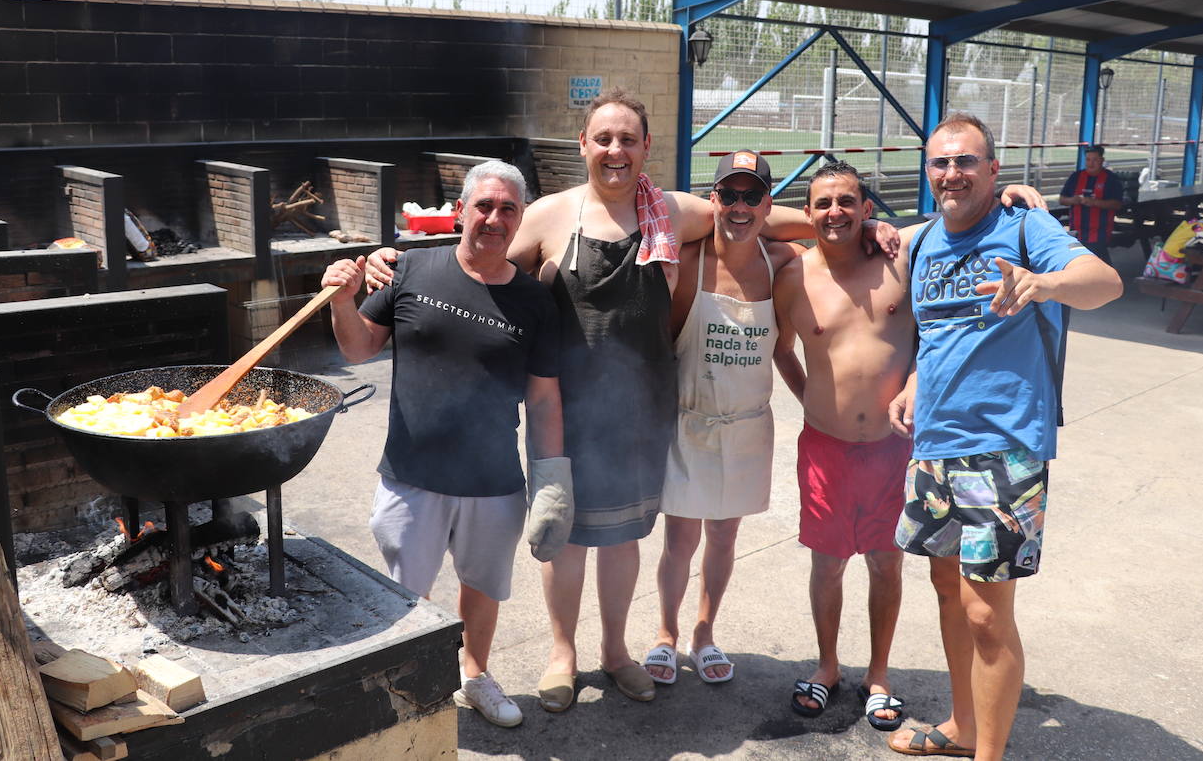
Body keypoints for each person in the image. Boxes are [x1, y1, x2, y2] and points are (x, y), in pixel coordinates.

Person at [366, 90, 895, 711]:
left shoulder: (670, 210)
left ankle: (615, 653)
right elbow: (477, 267)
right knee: (561, 538)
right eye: (604, 139)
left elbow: (752, 215)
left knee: (621, 542)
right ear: (583, 146)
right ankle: (562, 654)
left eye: (628, 140)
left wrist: (867, 225)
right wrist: (393, 263)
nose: (616, 151)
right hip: (561, 408)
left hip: (641, 408)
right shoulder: (548, 215)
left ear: (647, 148)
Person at [887, 113, 1122, 760]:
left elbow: (1106, 282)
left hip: (1003, 450)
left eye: (966, 161)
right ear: (928, 172)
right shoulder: (927, 240)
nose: (952, 172)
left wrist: (1040, 283)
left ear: (994, 170)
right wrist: (912, 381)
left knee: (988, 614)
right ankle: (964, 725)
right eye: (940, 162)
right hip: (934, 447)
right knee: (949, 596)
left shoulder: (1023, 226)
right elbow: (935, 332)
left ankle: (989, 753)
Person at [320, 160, 572, 729]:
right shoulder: (411, 269)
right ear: (460, 211)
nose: (494, 218)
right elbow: (359, 350)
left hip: (493, 481)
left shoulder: (535, 302)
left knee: (482, 589)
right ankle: (401, 692)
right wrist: (342, 299)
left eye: (508, 208)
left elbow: (545, 399)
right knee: (403, 595)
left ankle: (473, 676)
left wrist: (554, 479)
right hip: (411, 474)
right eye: (483, 205)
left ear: (520, 218)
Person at [642, 151, 803, 688]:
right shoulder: (687, 262)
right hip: (689, 424)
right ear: (712, 200)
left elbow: (785, 346)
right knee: (680, 541)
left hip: (748, 428)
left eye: (751, 196)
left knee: (725, 539)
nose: (739, 207)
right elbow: (659, 345)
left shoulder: (783, 262)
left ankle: (704, 632)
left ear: (767, 204)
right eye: (728, 195)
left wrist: (812, 402)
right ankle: (665, 634)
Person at [772, 160, 918, 733]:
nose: (835, 212)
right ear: (807, 214)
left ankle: (878, 674)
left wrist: (912, 386)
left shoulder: (899, 262)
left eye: (847, 202)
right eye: (823, 203)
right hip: (826, 448)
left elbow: (932, 337)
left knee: (887, 563)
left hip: (892, 448)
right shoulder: (794, 277)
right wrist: (810, 397)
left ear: (867, 209)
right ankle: (828, 666)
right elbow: (783, 348)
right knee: (827, 565)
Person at [1058, 145, 1125, 264]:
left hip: (1099, 234)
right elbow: (1062, 199)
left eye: (1095, 160)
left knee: (1099, 264)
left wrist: (1094, 202)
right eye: (1088, 160)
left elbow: (1117, 204)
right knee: (1076, 263)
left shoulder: (1111, 179)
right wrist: (1073, 200)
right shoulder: (1076, 177)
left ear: (1102, 160)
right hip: (1076, 233)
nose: (1091, 163)